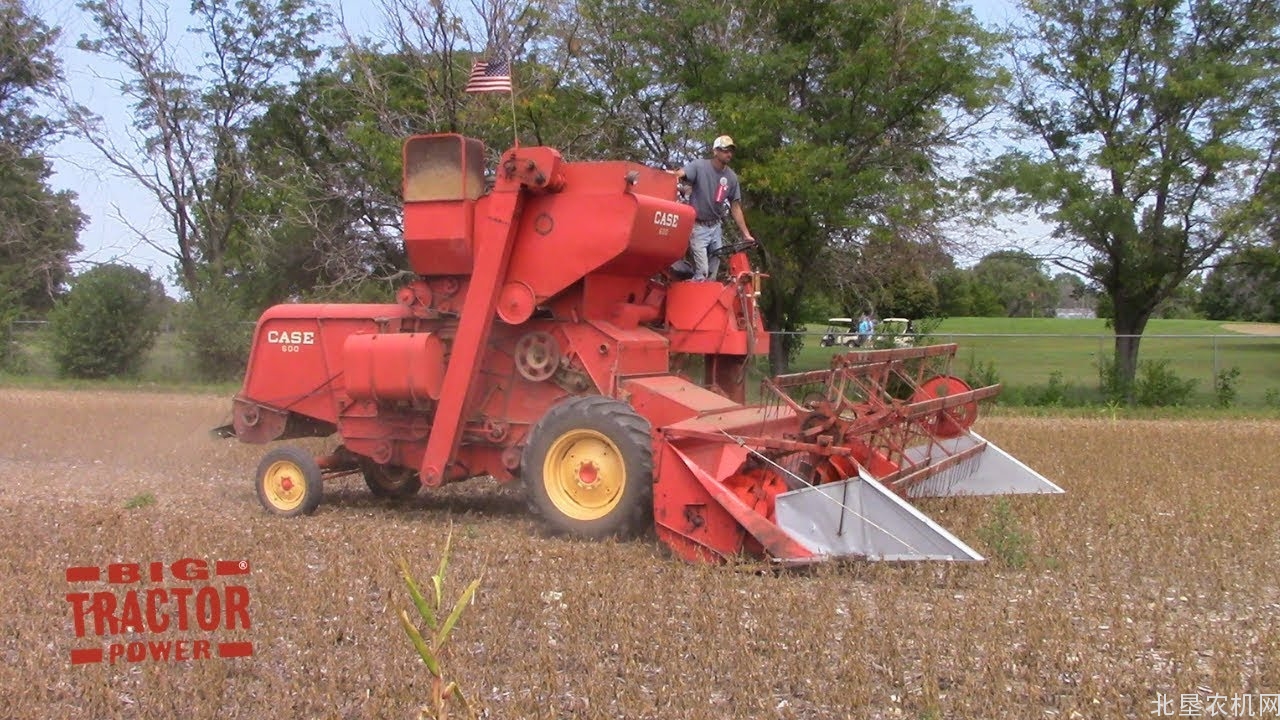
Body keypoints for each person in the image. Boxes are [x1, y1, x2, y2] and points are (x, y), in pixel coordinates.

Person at [670, 135, 755, 281]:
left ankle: (707, 301)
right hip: (698, 226)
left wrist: (746, 234)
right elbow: (680, 174)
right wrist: (670, 175)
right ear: (715, 151)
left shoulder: (731, 177)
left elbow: (735, 207)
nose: (729, 154)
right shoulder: (699, 166)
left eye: (730, 151)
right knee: (702, 272)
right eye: (724, 150)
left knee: (712, 272)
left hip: (715, 226)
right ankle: (693, 299)